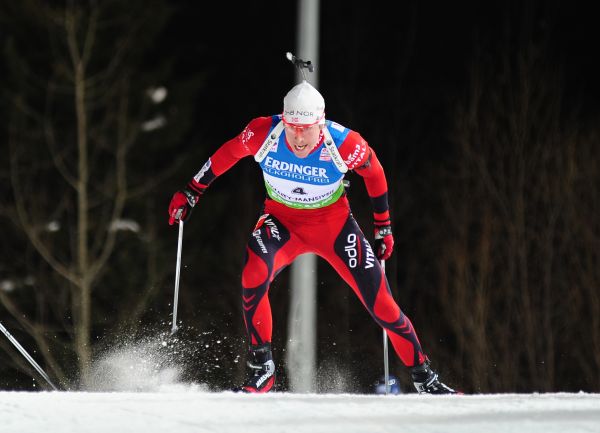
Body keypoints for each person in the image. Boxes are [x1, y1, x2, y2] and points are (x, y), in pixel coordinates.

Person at [168, 80, 457, 394]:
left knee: (382, 304)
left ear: (321, 125)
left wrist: (383, 225)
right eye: (293, 128)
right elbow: (228, 153)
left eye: (306, 129)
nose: (299, 137)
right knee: (253, 274)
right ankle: (261, 371)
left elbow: (374, 173)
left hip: (333, 226)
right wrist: (192, 191)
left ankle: (426, 379)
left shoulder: (344, 142)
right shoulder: (265, 132)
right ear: (284, 120)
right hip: (282, 221)